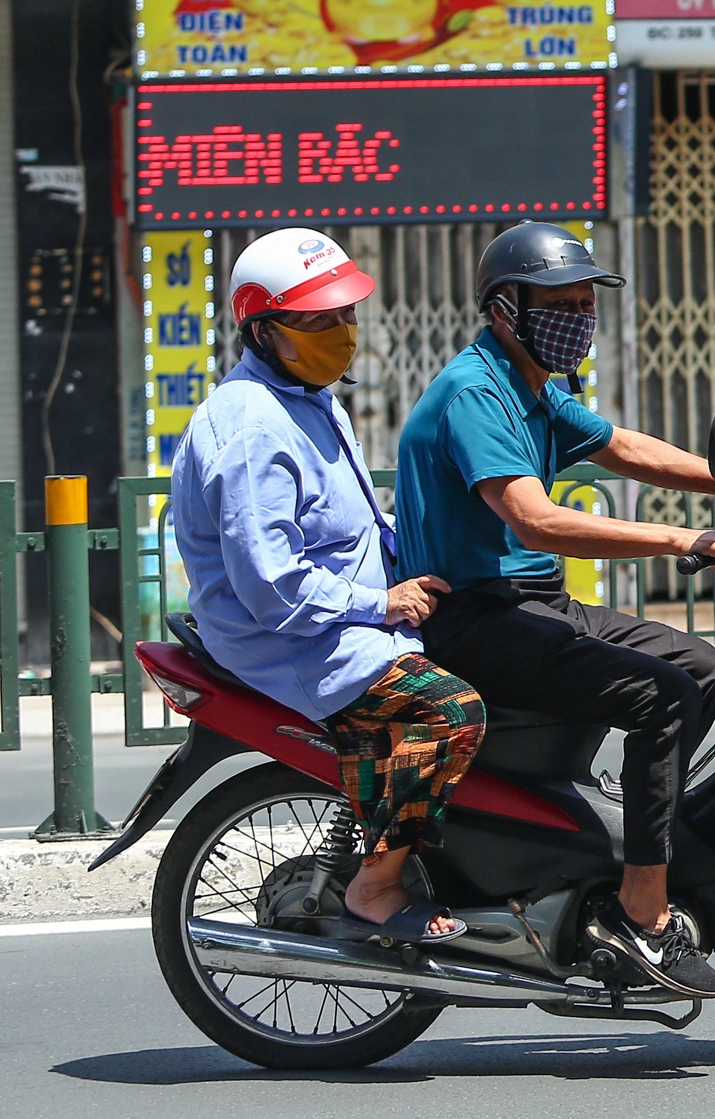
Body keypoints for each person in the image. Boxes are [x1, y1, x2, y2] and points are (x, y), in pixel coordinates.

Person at [392, 221, 715, 999]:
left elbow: (620, 446)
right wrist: (684, 538)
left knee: (695, 664)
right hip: (475, 617)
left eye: (585, 305)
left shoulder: (535, 386)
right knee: (656, 696)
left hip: (535, 602)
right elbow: (537, 520)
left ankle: (640, 842)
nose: (577, 320)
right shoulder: (475, 392)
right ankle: (642, 912)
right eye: (558, 305)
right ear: (504, 310)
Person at [172, 228, 484, 946]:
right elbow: (273, 587)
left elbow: (357, 526)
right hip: (292, 638)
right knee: (450, 712)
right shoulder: (252, 428)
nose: (340, 332)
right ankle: (375, 889)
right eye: (317, 321)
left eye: (345, 315)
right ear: (262, 328)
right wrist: (381, 602)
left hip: (342, 617)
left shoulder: (311, 399)